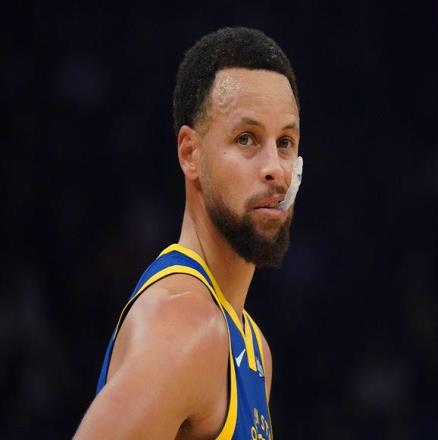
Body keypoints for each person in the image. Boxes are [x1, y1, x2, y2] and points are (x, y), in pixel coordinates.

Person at [75, 26, 301, 439]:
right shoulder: (184, 325)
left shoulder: (253, 348)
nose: (276, 169)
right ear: (189, 153)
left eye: (285, 141)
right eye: (246, 139)